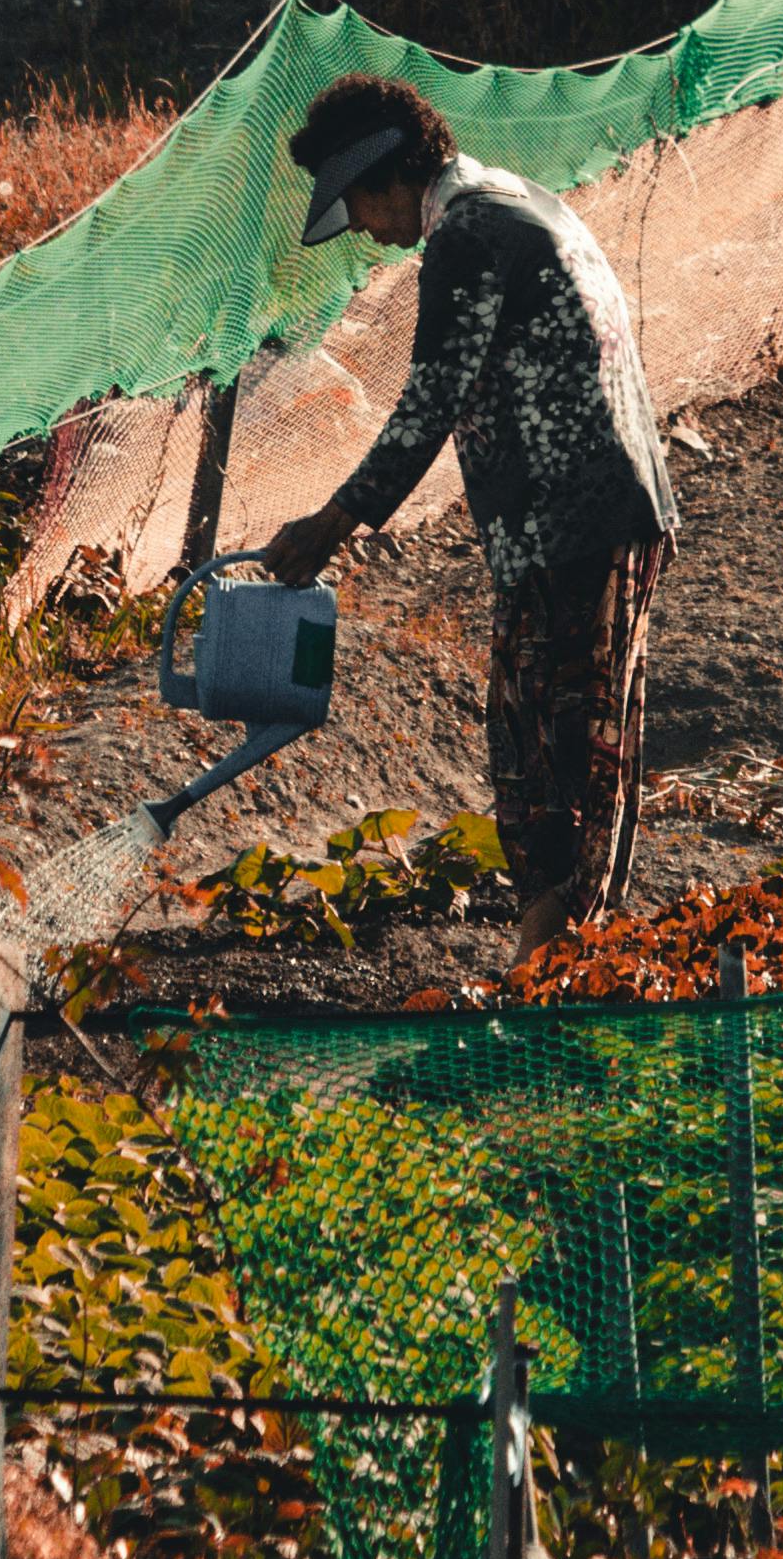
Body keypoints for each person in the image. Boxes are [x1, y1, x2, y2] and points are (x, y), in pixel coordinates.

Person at [253, 75, 675, 956]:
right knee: (563, 740)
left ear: (391, 174)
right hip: (600, 511)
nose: (366, 228)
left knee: (549, 753)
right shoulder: (513, 201)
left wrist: (332, 522)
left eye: (361, 203)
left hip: (573, 524)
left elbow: (428, 401)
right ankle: (565, 962)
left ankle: (547, 975)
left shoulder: (469, 235)